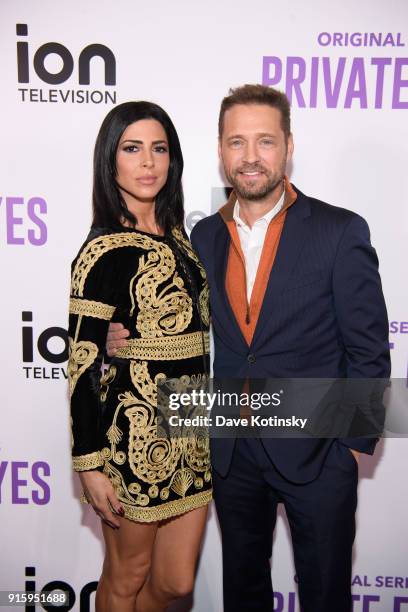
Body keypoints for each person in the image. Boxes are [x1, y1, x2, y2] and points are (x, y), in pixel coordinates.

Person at [107, 85, 390, 612]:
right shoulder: (201, 238)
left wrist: (349, 446)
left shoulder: (339, 230)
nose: (251, 157)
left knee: (326, 596)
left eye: (265, 141)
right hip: (233, 455)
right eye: (237, 142)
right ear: (220, 150)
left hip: (318, 455)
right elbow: (163, 315)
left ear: (288, 146)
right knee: (244, 594)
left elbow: (370, 348)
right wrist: (108, 334)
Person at [68, 101, 212, 612]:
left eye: (159, 149)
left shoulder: (180, 238)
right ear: (111, 163)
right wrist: (89, 462)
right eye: (132, 149)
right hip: (132, 437)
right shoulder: (102, 250)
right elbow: (83, 359)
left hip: (192, 434)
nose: (148, 162)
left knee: (174, 583)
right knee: (125, 577)